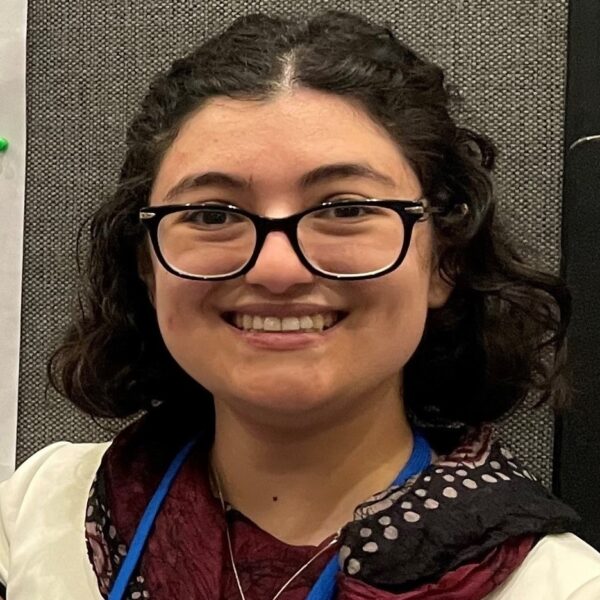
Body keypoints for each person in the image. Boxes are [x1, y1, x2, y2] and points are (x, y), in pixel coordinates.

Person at [1, 9, 599, 599]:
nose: (278, 270)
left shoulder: (558, 586)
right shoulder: (34, 517)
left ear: (445, 259)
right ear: (148, 266)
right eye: (212, 214)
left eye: (345, 210)